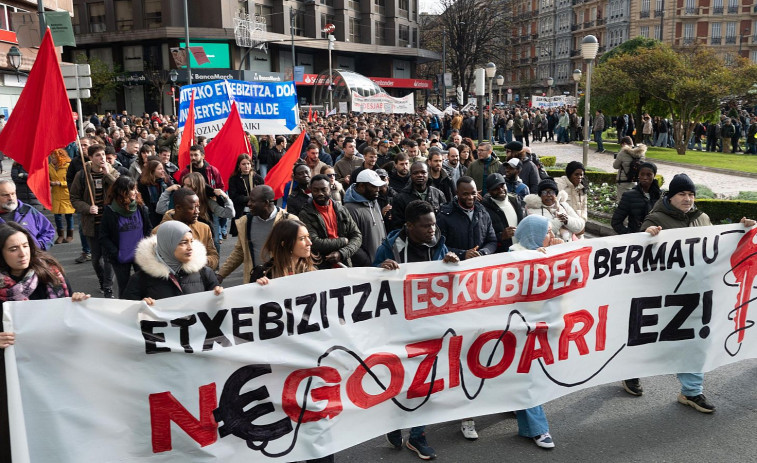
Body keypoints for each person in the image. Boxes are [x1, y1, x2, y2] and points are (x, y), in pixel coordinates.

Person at [631, 173, 756, 409]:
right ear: (671, 196)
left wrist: (742, 230)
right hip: (664, 293)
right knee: (649, 339)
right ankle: (629, 371)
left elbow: (716, 248)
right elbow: (640, 254)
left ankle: (691, 391)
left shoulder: (703, 218)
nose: (688, 199)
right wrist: (647, 237)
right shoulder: (655, 219)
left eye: (691, 194)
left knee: (695, 340)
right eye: (682, 194)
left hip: (695, 293)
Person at [374, 200, 460, 460]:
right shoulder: (389, 248)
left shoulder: (439, 245)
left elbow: (447, 284)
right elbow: (369, 285)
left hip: (430, 327)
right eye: (425, 226)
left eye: (433, 224)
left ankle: (418, 435)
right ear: (409, 226)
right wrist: (380, 270)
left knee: (427, 382)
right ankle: (395, 423)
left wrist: (450, 264)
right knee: (400, 381)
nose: (432, 230)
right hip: (399, 329)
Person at [0, 222, 90, 463]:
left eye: (25, 246)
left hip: (52, 365)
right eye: (13, 249)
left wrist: (79, 302)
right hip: (11, 374)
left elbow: (68, 309)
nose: (22, 254)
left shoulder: (50, 273)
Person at [124, 220, 223, 302]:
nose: (190, 248)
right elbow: (125, 317)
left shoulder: (205, 273)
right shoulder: (140, 280)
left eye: (191, 242)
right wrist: (139, 308)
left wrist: (219, 295)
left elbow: (219, 309)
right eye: (183, 243)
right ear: (167, 245)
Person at [218, 185, 297, 284]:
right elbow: (240, 252)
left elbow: (300, 252)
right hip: (256, 282)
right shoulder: (246, 222)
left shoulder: (290, 221)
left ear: (266, 203)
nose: (249, 204)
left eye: (253, 201)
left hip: (283, 281)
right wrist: (221, 274)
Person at [70, 144, 119, 297]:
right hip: (92, 224)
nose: (102, 158)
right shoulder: (82, 175)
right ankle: (102, 280)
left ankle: (108, 286)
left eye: (103, 154)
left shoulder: (113, 171)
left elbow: (122, 190)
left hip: (109, 224)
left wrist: (107, 175)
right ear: (91, 158)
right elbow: (74, 198)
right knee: (97, 260)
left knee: (108, 257)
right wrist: (86, 208)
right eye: (97, 155)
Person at [100, 175, 152, 298]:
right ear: (122, 191)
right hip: (120, 257)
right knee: (124, 286)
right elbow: (103, 236)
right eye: (132, 189)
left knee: (143, 285)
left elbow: (148, 228)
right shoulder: (110, 211)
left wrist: (145, 246)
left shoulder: (141, 207)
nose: (136, 192)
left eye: (135, 189)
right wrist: (116, 252)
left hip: (140, 255)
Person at [298, 174, 362, 269]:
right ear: (311, 190)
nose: (320, 193)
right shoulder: (305, 214)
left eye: (324, 189)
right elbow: (314, 242)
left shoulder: (341, 210)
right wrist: (343, 241)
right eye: (316, 190)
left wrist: (342, 253)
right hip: (320, 267)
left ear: (330, 189)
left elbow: (357, 236)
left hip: (344, 264)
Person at [154, 187, 219, 270]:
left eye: (198, 207)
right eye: (192, 208)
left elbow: (214, 256)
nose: (197, 211)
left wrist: (203, 262)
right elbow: (155, 262)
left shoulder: (204, 228)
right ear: (178, 208)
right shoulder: (158, 232)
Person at [436, 176, 498, 259]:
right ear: (457, 193)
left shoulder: (483, 213)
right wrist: (463, 254)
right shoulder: (444, 216)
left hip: (479, 265)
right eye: (465, 194)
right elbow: (438, 246)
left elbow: (492, 241)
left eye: (473, 193)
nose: (470, 197)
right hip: (455, 267)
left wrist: (482, 253)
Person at [343, 169, 387, 267]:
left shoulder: (374, 202)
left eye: (378, 186)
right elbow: (351, 241)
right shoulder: (349, 209)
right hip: (366, 270)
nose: (377, 189)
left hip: (381, 265)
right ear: (362, 186)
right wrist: (369, 262)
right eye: (373, 186)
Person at [388, 161, 447, 231]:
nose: (419, 175)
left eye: (423, 172)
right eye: (415, 173)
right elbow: (397, 226)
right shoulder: (400, 198)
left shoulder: (438, 194)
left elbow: (444, 221)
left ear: (428, 174)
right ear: (411, 175)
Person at [611, 162, 661, 235]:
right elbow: (616, 222)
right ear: (638, 175)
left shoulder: (660, 196)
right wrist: (630, 235)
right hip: (637, 240)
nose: (645, 178)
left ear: (654, 175)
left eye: (649, 175)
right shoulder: (629, 196)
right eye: (642, 174)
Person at [480, 173, 523, 253]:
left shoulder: (515, 201)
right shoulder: (483, 209)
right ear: (489, 191)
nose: (500, 190)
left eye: (502, 186)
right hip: (501, 256)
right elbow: (482, 238)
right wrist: (501, 236)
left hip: (521, 251)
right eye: (496, 188)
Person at [226, 153, 264, 235]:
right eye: (243, 164)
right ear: (239, 165)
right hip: (240, 211)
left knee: (254, 235)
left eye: (248, 163)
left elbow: (263, 194)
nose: (246, 166)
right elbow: (233, 196)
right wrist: (248, 198)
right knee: (242, 236)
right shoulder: (234, 179)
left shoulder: (258, 178)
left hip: (256, 211)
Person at [49, 149, 76, 244]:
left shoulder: (68, 166)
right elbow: (46, 178)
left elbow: (71, 180)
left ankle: (69, 235)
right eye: (51, 158)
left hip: (66, 193)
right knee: (57, 216)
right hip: (56, 194)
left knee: (69, 215)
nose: (52, 160)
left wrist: (60, 183)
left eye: (54, 158)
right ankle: (60, 235)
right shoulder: (49, 167)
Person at [613, 136, 647, 201]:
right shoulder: (641, 153)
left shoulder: (623, 152)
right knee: (632, 202)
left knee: (622, 202)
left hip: (623, 181)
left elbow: (615, 166)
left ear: (624, 144)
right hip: (635, 181)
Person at [138, 159, 170, 227]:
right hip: (150, 215)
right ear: (152, 171)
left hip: (163, 214)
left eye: (163, 168)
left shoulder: (165, 181)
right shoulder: (143, 184)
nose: (163, 171)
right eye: (160, 169)